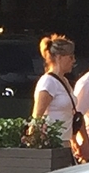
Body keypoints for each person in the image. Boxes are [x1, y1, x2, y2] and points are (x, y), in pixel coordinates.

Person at [29, 34, 77, 162]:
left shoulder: (65, 81)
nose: (73, 61)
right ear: (59, 58)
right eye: (70, 57)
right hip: (52, 144)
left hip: (65, 142)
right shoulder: (48, 82)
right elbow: (37, 115)